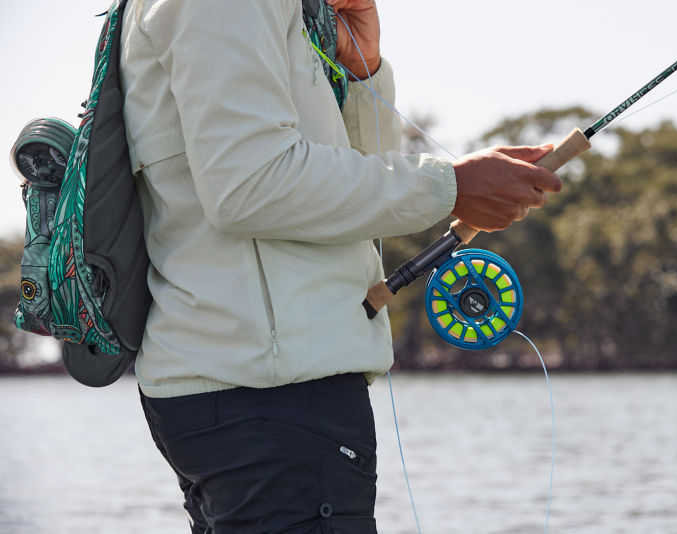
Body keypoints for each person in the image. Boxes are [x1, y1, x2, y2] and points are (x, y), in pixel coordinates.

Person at [119, 0, 561, 532]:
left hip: (260, 395)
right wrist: (451, 186)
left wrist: (361, 71)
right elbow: (249, 186)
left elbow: (345, 182)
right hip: (269, 401)